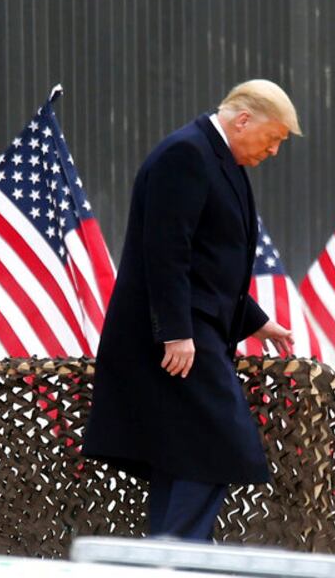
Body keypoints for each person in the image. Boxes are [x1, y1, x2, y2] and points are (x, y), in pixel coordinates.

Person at [83, 79, 301, 541]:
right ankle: (176, 559)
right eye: (274, 137)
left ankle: (164, 559)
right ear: (244, 120)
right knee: (217, 445)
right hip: (175, 339)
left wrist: (257, 322)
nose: (274, 151)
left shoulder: (223, 160)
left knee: (182, 456)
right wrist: (175, 332)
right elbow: (165, 250)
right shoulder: (185, 155)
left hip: (195, 330)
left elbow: (211, 262)